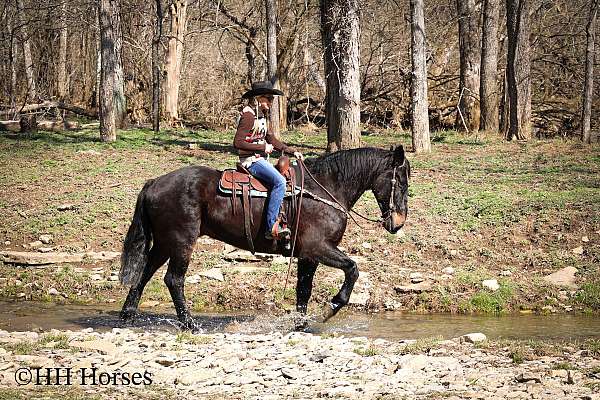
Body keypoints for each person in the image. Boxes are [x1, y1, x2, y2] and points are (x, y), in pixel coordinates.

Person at [233, 81, 304, 241]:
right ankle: (271, 226)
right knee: (280, 182)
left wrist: (292, 151)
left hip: (260, 159)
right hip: (251, 161)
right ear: (258, 98)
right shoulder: (248, 116)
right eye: (269, 98)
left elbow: (272, 140)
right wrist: (262, 148)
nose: (271, 102)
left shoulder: (261, 116)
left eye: (272, 99)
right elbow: (237, 142)